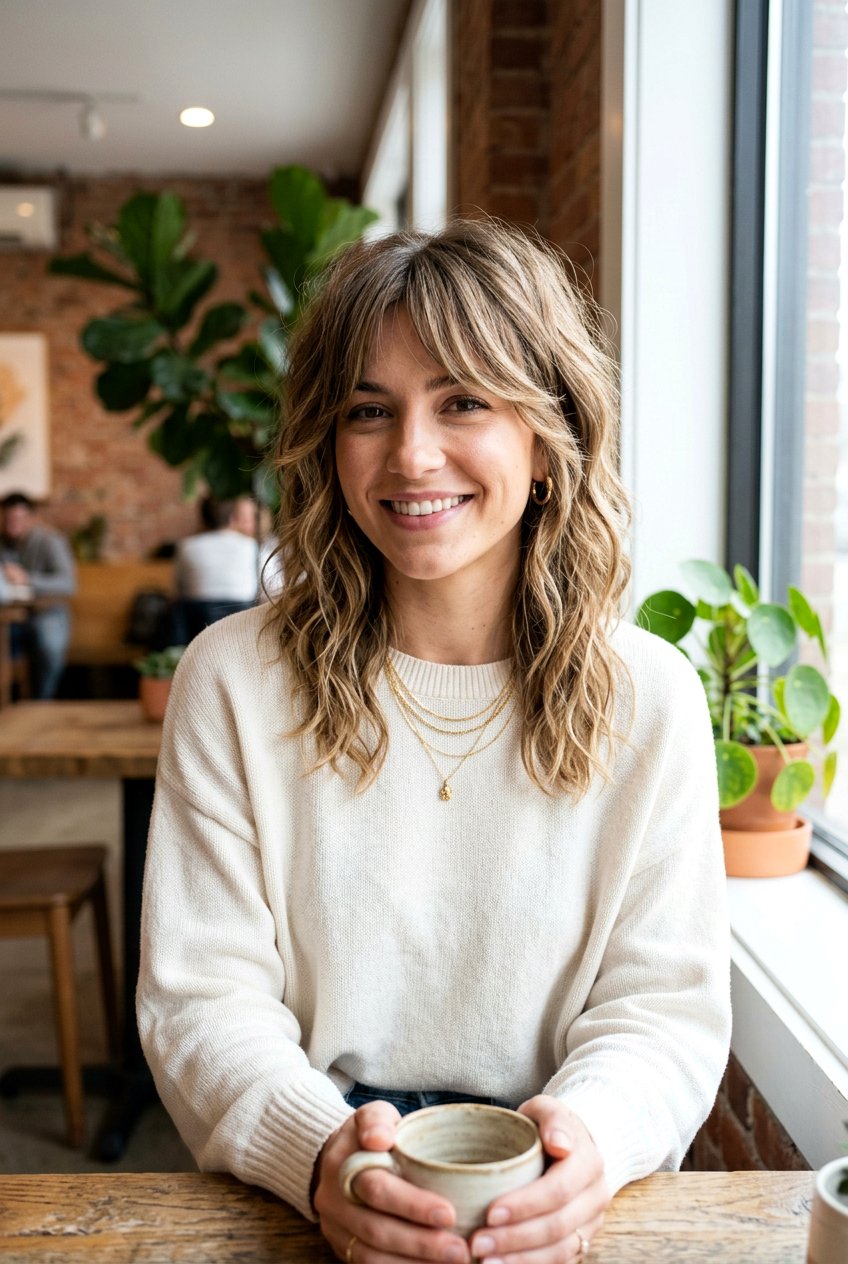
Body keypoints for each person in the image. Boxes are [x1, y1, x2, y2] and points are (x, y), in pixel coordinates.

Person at [137, 220, 730, 1264]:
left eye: (462, 400)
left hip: (552, 1189)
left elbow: (662, 1009)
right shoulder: (230, 677)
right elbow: (201, 999)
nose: (410, 453)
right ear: (329, 442)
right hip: (310, 1187)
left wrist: (584, 1143)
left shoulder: (652, 696)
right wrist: (322, 1156)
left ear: (545, 440)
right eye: (369, 409)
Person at [0, 491, 76, 698]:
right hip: (9, 617)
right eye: (6, 519)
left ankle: (43, 701)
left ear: (31, 518)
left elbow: (68, 584)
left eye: (17, 519)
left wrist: (27, 578)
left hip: (46, 613)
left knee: (49, 645)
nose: (11, 524)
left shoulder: (50, 541)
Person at [171, 495, 260, 641]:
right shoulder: (250, 545)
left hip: (197, 621)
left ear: (203, 518)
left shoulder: (186, 546)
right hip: (242, 617)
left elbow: (178, 589)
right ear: (232, 517)